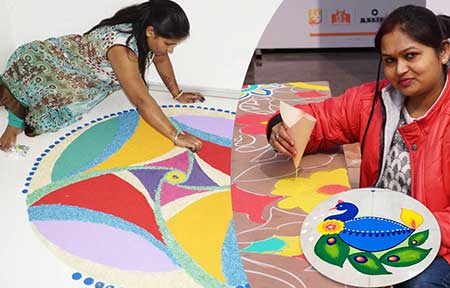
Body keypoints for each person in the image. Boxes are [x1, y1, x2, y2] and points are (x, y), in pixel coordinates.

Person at [267, 5, 450, 288]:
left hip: (436, 243)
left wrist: (414, 232)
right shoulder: (373, 100)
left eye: (411, 56)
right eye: (389, 60)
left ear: (443, 52)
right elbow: (322, 119)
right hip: (374, 227)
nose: (400, 70)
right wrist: (283, 127)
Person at [0, 0, 204, 152]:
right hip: (52, 64)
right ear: (151, 31)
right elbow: (141, 100)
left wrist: (177, 93)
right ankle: (14, 118)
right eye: (169, 44)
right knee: (46, 102)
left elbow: (160, 58)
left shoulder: (144, 32)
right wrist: (176, 135)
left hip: (78, 68)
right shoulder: (122, 49)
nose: (171, 51)